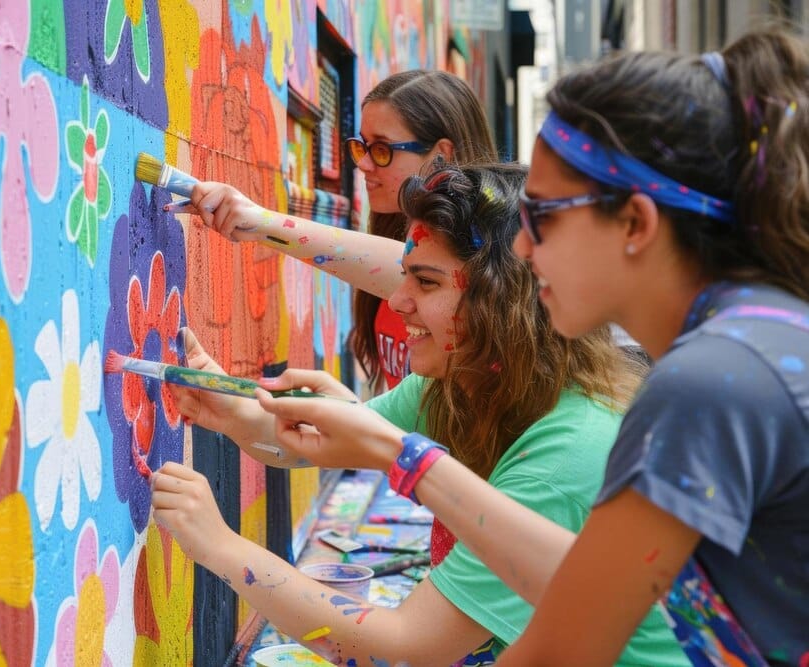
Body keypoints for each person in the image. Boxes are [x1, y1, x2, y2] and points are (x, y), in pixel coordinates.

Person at [259, 26, 809, 666]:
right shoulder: (751, 344)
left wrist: (397, 456)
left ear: (635, 223)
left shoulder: (711, 382)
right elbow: (590, 584)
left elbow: (563, 638)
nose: (520, 249)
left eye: (542, 217)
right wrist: (398, 453)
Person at [153, 163, 688, 665]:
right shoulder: (464, 383)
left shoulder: (567, 457)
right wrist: (232, 412)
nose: (399, 301)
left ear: (506, 301)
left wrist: (220, 547)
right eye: (404, 275)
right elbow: (316, 439)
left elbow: (406, 647)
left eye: (426, 282)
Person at [180, 69, 496, 393]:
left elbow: (399, 266)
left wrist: (259, 221)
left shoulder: (486, 257)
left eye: (383, 150)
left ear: (442, 155)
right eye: (363, 147)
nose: (364, 165)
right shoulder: (394, 236)